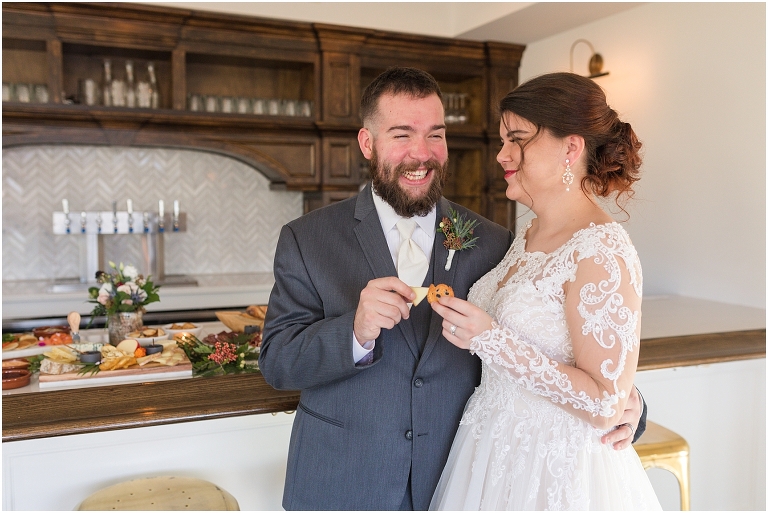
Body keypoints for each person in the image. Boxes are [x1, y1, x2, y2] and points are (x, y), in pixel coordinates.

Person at [259, 67, 645, 511]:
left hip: (461, 479)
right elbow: (277, 363)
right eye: (402, 135)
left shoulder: (496, 241)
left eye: (435, 135)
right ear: (368, 143)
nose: (421, 154)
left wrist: (628, 403)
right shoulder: (307, 239)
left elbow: (583, 344)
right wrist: (356, 331)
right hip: (346, 484)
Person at [428, 72, 661, 510]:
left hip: (555, 467)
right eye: (503, 140)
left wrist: (491, 339)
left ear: (570, 149)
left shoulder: (601, 250)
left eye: (517, 139)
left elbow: (607, 403)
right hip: (490, 453)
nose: (502, 155)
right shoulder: (528, 232)